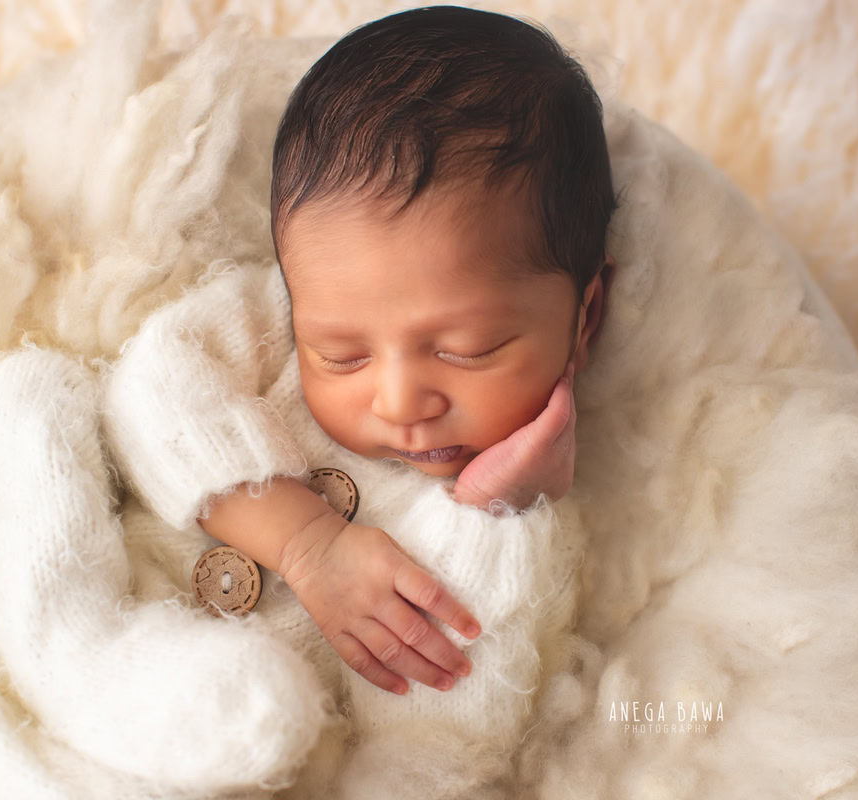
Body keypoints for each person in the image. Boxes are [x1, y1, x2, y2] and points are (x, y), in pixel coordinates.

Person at [100, 4, 618, 794]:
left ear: (586, 317)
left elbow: (450, 722)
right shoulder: (276, 320)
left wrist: (491, 513)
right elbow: (149, 395)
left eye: (466, 349)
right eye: (340, 356)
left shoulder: (531, 518)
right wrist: (307, 544)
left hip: (253, 760)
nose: (401, 400)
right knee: (22, 406)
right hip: (111, 622)